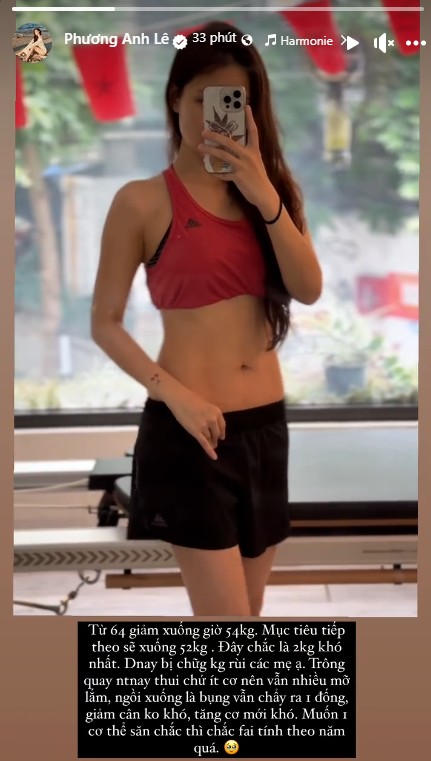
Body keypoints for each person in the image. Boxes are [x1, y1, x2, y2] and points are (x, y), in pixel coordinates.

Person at [91, 21, 322, 617]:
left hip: (265, 429)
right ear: (176, 99)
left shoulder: (272, 195)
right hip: (189, 430)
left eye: (233, 101)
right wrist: (178, 398)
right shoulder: (141, 201)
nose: (214, 116)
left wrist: (262, 192)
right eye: (202, 99)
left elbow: (309, 289)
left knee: (247, 617)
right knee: (226, 623)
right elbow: (105, 323)